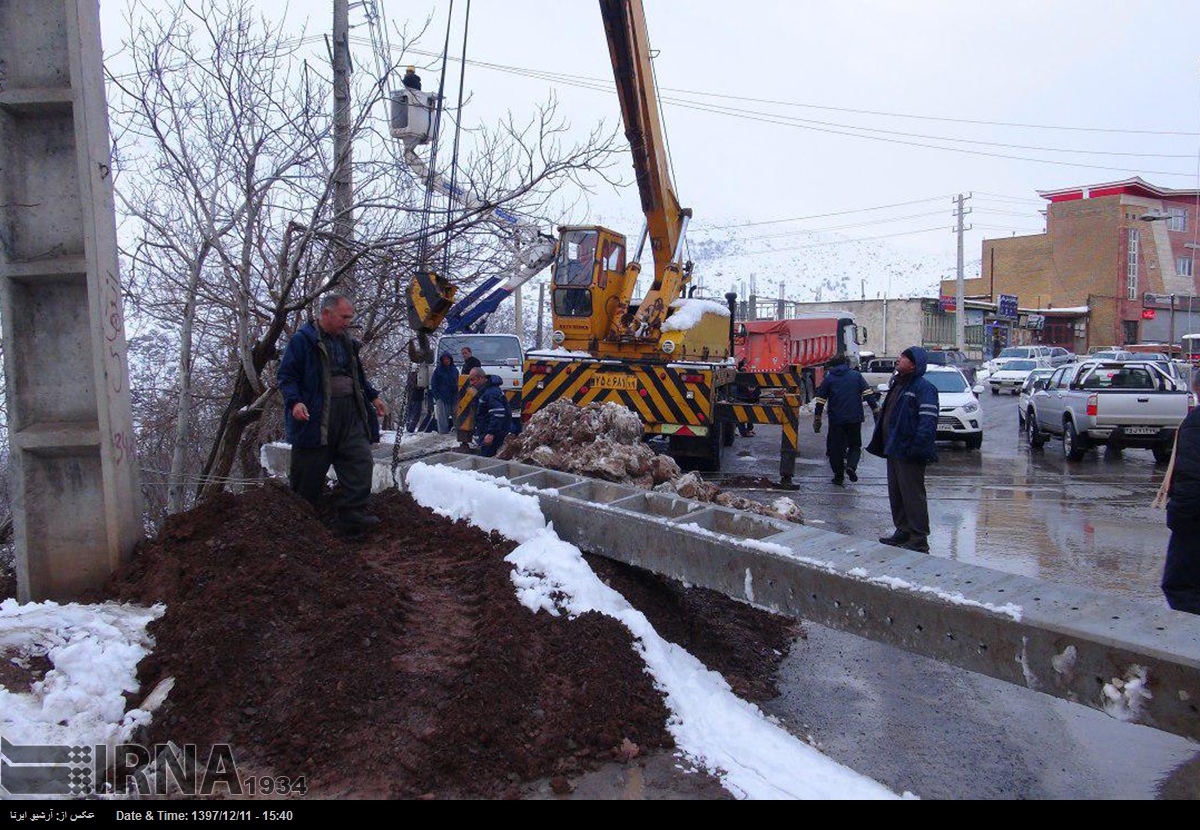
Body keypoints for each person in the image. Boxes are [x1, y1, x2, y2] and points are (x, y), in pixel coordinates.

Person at [278, 293, 387, 530]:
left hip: (350, 411)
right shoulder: (302, 341)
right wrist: (295, 403)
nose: (348, 321)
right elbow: (286, 377)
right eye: (344, 317)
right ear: (326, 314)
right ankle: (302, 523)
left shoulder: (346, 342)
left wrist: (373, 396)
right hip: (317, 415)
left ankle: (352, 514)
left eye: (350, 317)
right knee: (309, 470)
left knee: (359, 460)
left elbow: (357, 375)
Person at [866, 346, 939, 553]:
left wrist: (917, 447)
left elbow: (927, 422)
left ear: (914, 364)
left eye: (904, 357)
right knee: (896, 493)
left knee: (912, 495)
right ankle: (903, 530)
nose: (899, 359)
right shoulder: (898, 384)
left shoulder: (923, 388)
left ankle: (919, 538)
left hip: (910, 451)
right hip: (894, 449)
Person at [1162, 377, 1200, 614]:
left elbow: (1192, 477)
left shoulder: (1195, 425)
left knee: (1181, 587)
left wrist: (1178, 517)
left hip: (1194, 523)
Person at [813, 355, 880, 486]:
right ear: (846, 363)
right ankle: (851, 466)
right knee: (855, 445)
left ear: (832, 365)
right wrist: (875, 409)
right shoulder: (856, 376)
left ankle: (838, 476)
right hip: (854, 419)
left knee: (835, 448)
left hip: (836, 420)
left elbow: (820, 400)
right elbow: (867, 394)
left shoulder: (829, 379)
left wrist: (817, 417)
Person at [469, 367, 512, 458]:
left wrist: (491, 433)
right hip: (488, 431)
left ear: (481, 378)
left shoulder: (490, 392)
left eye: (473, 380)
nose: (471, 383)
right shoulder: (485, 391)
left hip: (493, 434)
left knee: (487, 459)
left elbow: (498, 414)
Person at [430, 352, 460, 435]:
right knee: (442, 418)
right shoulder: (438, 370)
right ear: (442, 360)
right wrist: (437, 397)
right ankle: (443, 434)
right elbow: (433, 384)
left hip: (454, 396)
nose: (446, 361)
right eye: (444, 359)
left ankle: (458, 433)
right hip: (442, 397)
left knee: (457, 415)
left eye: (448, 359)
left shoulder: (454, 370)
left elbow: (458, 382)